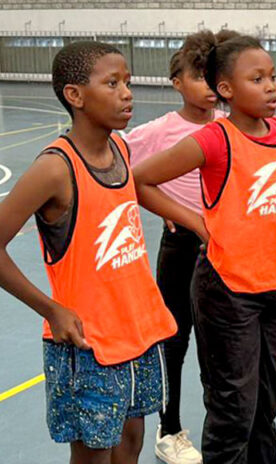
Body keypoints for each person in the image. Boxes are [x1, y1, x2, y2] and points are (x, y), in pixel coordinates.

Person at [134, 32, 276, 464]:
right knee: (233, 407)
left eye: (273, 76)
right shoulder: (214, 139)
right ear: (226, 90)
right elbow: (140, 179)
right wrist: (195, 219)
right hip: (230, 289)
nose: (271, 86)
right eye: (257, 79)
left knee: (267, 401)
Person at [0, 41, 177, 464]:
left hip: (139, 331)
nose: (127, 93)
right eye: (112, 83)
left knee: (132, 440)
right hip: (88, 342)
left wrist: (186, 216)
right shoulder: (56, 168)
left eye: (128, 82)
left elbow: (129, 195)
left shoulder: (121, 150)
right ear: (75, 96)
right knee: (94, 454)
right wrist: (51, 310)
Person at [124, 30, 228, 464]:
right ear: (177, 82)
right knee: (174, 340)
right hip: (182, 247)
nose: (207, 86)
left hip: (225, 248)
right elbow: (118, 170)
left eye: (213, 76)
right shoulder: (160, 131)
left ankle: (225, 424)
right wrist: (165, 209)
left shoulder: (228, 128)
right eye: (197, 76)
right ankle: (169, 430)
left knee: (221, 340)